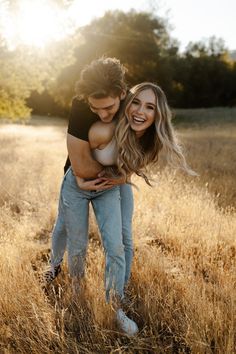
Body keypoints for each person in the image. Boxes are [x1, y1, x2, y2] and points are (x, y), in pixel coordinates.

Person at [45, 57, 139, 336]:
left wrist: (121, 175)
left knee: (122, 235)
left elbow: (141, 152)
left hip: (115, 176)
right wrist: (89, 179)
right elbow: (81, 167)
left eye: (109, 107)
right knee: (65, 227)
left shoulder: (133, 106)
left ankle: (118, 294)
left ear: (122, 94)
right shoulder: (80, 104)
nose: (102, 114)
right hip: (78, 176)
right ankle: (54, 265)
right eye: (95, 108)